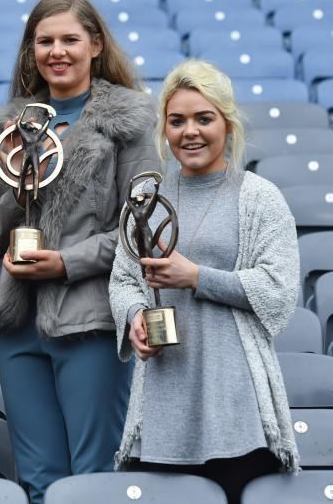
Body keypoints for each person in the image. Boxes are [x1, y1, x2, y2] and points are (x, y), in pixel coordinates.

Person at [0, 0, 159, 504]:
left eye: (69, 39)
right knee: (37, 480)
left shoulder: (129, 122)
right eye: (44, 41)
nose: (56, 51)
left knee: (92, 479)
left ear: (96, 45)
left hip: (91, 320)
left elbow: (141, 227)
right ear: (30, 50)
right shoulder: (10, 129)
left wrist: (65, 263)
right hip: (18, 325)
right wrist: (20, 193)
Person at [110, 59, 300, 504]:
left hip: (237, 402)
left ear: (227, 125)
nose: (189, 131)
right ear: (165, 130)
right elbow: (124, 279)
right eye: (176, 121)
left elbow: (278, 290)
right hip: (162, 395)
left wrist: (196, 277)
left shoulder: (259, 197)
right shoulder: (145, 200)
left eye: (203, 118)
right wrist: (136, 317)